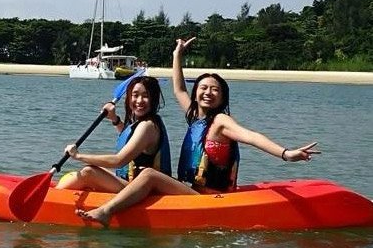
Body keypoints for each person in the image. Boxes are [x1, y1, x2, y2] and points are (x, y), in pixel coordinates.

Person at [76, 37, 320, 226]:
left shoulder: (221, 121)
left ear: (222, 96)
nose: (207, 92)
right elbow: (179, 89)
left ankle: (107, 211)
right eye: (203, 88)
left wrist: (285, 154)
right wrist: (177, 55)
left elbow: (252, 137)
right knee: (101, 174)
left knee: (149, 175)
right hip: (190, 189)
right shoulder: (196, 116)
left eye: (215, 89)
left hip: (209, 196)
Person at [55, 76, 173, 193]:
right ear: (129, 98)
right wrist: (114, 119)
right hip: (132, 184)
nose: (139, 100)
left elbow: (118, 161)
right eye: (135, 95)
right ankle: (57, 195)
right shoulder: (145, 122)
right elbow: (130, 138)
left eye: (146, 96)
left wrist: (77, 156)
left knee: (89, 172)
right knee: (92, 171)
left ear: (154, 99)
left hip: (142, 191)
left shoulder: (148, 126)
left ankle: (52, 199)